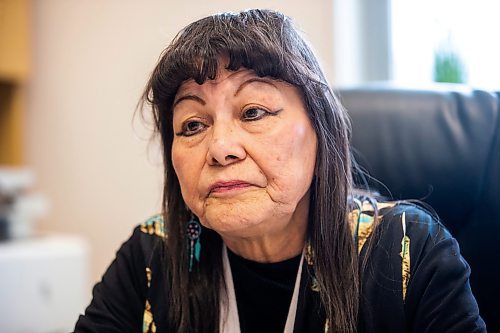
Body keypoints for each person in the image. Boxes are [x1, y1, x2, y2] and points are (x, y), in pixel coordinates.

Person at [74, 9, 486, 333]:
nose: (220, 149)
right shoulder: (152, 254)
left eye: (253, 112)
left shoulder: (408, 253)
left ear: (320, 132)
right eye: (193, 125)